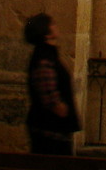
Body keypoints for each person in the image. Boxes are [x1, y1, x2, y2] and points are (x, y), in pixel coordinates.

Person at [23, 12, 80, 155]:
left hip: (52, 128)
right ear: (46, 33)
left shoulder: (47, 55)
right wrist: (59, 107)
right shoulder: (44, 58)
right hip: (50, 129)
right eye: (52, 24)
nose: (56, 26)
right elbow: (47, 88)